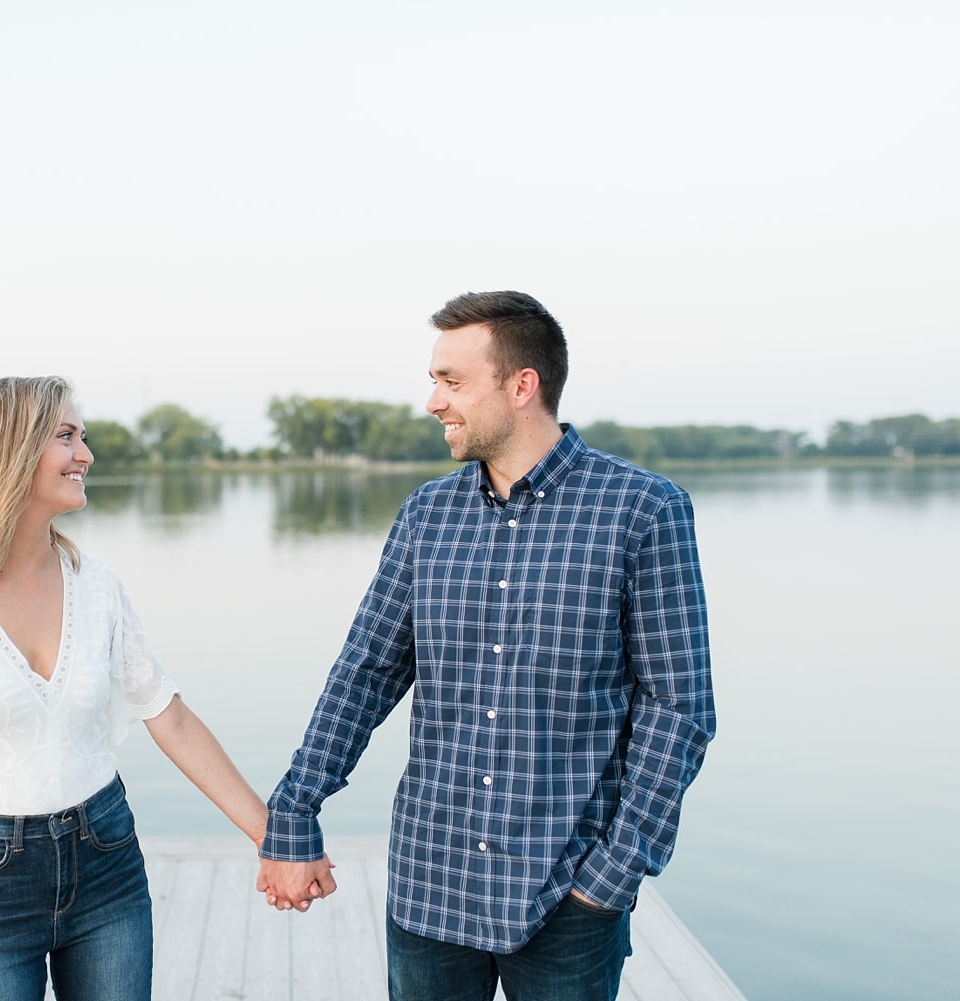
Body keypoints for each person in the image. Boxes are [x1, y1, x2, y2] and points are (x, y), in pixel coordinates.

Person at [256, 291, 716, 1001]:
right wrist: (295, 807)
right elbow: (366, 673)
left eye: (452, 380)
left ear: (521, 385)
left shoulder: (642, 510)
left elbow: (678, 708)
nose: (434, 401)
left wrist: (614, 872)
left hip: (568, 892)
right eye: (434, 380)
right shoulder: (426, 514)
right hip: (430, 888)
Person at [0, 375, 270, 1001]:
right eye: (66, 436)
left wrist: (271, 833)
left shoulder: (97, 584)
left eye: (82, 436)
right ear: (8, 451)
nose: (86, 454)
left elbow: (171, 717)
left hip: (106, 859)